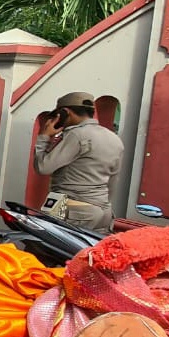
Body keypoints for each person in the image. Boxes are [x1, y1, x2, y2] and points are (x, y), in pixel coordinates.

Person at [34, 92, 124, 232]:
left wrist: (43, 137)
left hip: (71, 206)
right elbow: (113, 179)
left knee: (47, 248)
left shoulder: (75, 135)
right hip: (103, 211)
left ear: (65, 112)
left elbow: (43, 167)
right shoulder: (113, 138)